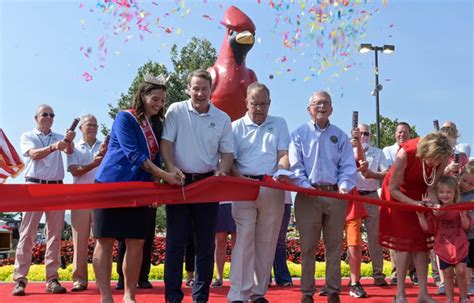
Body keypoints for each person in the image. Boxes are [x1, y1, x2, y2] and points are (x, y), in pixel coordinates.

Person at [92, 74, 182, 303]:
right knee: (105, 239)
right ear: (142, 96)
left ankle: (129, 295)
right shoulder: (125, 118)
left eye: (162, 100)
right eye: (155, 98)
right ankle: (105, 296)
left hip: (141, 188)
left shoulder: (158, 124)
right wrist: (164, 176)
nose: (159, 104)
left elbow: (161, 155)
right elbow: (134, 155)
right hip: (111, 185)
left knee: (136, 241)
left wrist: (163, 180)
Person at [160, 69, 234, 303]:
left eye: (204, 89)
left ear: (211, 91)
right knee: (175, 243)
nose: (200, 93)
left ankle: (200, 297)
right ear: (188, 89)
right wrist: (170, 167)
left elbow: (227, 153)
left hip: (207, 185)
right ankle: (172, 297)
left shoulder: (222, 118)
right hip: (178, 183)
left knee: (205, 244)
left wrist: (223, 169)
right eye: (196, 88)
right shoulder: (176, 110)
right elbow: (166, 143)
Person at [289, 91, 357, 303]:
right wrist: (306, 186)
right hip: (307, 196)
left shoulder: (340, 135)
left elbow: (348, 166)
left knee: (334, 246)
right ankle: (307, 294)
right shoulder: (299, 134)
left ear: (332, 109)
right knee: (308, 247)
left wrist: (345, 186)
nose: (321, 107)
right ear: (309, 108)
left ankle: (333, 291)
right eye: (317, 104)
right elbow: (295, 166)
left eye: (325, 103)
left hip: (335, 195)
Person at [227, 82, 290, 303]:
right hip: (243, 187)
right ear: (247, 102)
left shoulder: (279, 123)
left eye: (263, 104)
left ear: (269, 103)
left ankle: (257, 293)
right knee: (244, 240)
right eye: (255, 103)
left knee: (267, 241)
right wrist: (239, 178)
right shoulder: (235, 127)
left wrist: (282, 171)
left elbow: (283, 154)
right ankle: (237, 294)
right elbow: (230, 160)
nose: (259, 108)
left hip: (272, 187)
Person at [379, 132, 453, 303]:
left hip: (422, 193)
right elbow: (393, 188)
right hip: (399, 194)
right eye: (432, 159)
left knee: (422, 242)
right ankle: (400, 294)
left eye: (438, 161)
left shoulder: (443, 155)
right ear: (425, 150)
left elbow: (432, 187)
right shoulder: (406, 153)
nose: (435, 164)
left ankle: (423, 293)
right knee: (404, 243)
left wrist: (436, 206)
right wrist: (413, 203)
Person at [12, 104, 75, 296]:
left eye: (51, 115)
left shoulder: (58, 137)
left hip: (56, 186)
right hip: (34, 187)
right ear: (36, 117)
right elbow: (33, 155)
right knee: (27, 233)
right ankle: (20, 280)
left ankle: (52, 279)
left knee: (54, 235)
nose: (48, 117)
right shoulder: (28, 136)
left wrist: (69, 141)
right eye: (44, 114)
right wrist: (54, 146)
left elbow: (70, 152)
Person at [67, 114, 107, 292]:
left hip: (101, 197)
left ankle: (102, 280)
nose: (92, 128)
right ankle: (79, 280)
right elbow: (75, 172)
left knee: (103, 240)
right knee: (80, 241)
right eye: (88, 125)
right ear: (81, 128)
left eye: (95, 125)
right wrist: (93, 164)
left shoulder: (106, 147)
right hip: (80, 198)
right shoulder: (74, 148)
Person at [416, 176, 472, 303]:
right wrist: (420, 215)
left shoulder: (459, 207)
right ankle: (450, 298)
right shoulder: (435, 210)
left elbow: (467, 226)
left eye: (448, 192)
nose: (445, 195)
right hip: (443, 246)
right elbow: (427, 228)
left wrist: (463, 217)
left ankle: (464, 297)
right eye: (441, 192)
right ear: (437, 194)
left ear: (454, 193)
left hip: (460, 245)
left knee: (461, 271)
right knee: (447, 273)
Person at [382, 121, 418, 285]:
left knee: (414, 235)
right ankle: (396, 272)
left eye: (405, 132)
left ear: (409, 134)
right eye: (399, 132)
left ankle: (414, 272)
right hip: (392, 197)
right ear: (395, 134)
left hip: (411, 196)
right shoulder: (387, 151)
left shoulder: (416, 151)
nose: (402, 134)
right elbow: (387, 174)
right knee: (396, 237)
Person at [354, 124, 389, 287]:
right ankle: (355, 277)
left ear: (370, 135)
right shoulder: (346, 150)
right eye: (359, 133)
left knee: (375, 237)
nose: (363, 137)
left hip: (371, 196)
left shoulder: (378, 153)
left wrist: (372, 174)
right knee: (352, 238)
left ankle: (378, 274)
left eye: (366, 133)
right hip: (352, 197)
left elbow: (386, 174)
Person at [271, 191, 293, 287]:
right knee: (262, 239)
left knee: (279, 241)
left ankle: (283, 277)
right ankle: (263, 277)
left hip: (285, 200)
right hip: (264, 198)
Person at [212, 201, 236, 288]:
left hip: (237, 203)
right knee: (220, 241)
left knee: (236, 244)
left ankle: (236, 277)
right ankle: (219, 277)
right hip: (220, 203)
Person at [460, 161, 474, 294]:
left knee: (471, 260)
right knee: (465, 262)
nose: (466, 185)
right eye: (464, 181)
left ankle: (471, 283)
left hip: (473, 233)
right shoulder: (452, 191)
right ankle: (467, 283)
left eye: (471, 184)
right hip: (458, 234)